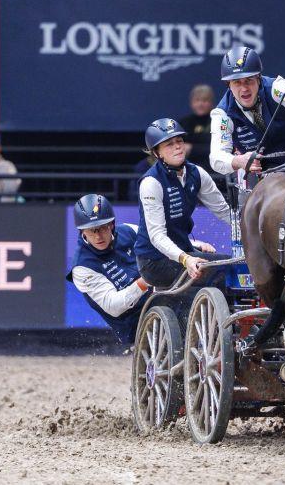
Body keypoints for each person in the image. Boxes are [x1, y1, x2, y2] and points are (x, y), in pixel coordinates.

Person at [136, 118, 231, 289]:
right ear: (157, 153)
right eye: (169, 144)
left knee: (232, 264)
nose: (178, 146)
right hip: (154, 261)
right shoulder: (151, 183)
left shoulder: (198, 173)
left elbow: (224, 211)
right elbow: (157, 236)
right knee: (226, 270)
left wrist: (253, 230)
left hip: (184, 251)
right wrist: (186, 259)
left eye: (179, 141)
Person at [209, 46, 285, 176]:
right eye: (237, 82)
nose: (244, 88)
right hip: (267, 174)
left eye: (249, 80)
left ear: (258, 78)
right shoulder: (222, 114)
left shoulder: (277, 89)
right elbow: (216, 157)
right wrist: (238, 161)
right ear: (228, 84)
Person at [67, 194, 150, 344]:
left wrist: (192, 250)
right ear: (82, 231)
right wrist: (145, 282)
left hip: (158, 294)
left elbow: (160, 244)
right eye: (91, 230)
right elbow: (114, 306)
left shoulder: (129, 231)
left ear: (111, 224)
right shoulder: (81, 267)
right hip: (132, 320)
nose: (98, 236)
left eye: (102, 228)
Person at [178, 84, 215, 168]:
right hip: (188, 168)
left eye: (205, 100)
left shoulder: (217, 121)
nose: (200, 104)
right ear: (191, 103)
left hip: (213, 168)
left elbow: (217, 148)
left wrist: (192, 148)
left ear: (211, 102)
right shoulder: (184, 122)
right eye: (197, 100)